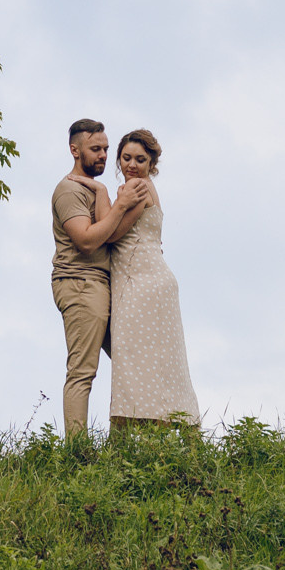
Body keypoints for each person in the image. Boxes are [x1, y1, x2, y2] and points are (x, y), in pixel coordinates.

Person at [51, 119, 150, 437]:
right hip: (80, 283)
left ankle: (134, 443)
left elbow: (113, 229)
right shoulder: (68, 190)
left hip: (104, 286)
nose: (104, 155)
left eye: (107, 149)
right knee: (83, 371)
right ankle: (76, 453)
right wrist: (121, 203)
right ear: (74, 150)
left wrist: (111, 196)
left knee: (133, 360)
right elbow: (89, 240)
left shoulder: (96, 190)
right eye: (96, 149)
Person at [105, 128, 199, 433]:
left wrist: (97, 200)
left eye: (140, 159)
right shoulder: (144, 188)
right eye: (126, 158)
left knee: (131, 357)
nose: (132, 164)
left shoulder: (136, 190)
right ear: (119, 159)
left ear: (152, 163)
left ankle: (126, 441)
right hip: (152, 278)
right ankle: (164, 431)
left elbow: (112, 234)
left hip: (141, 282)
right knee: (158, 362)